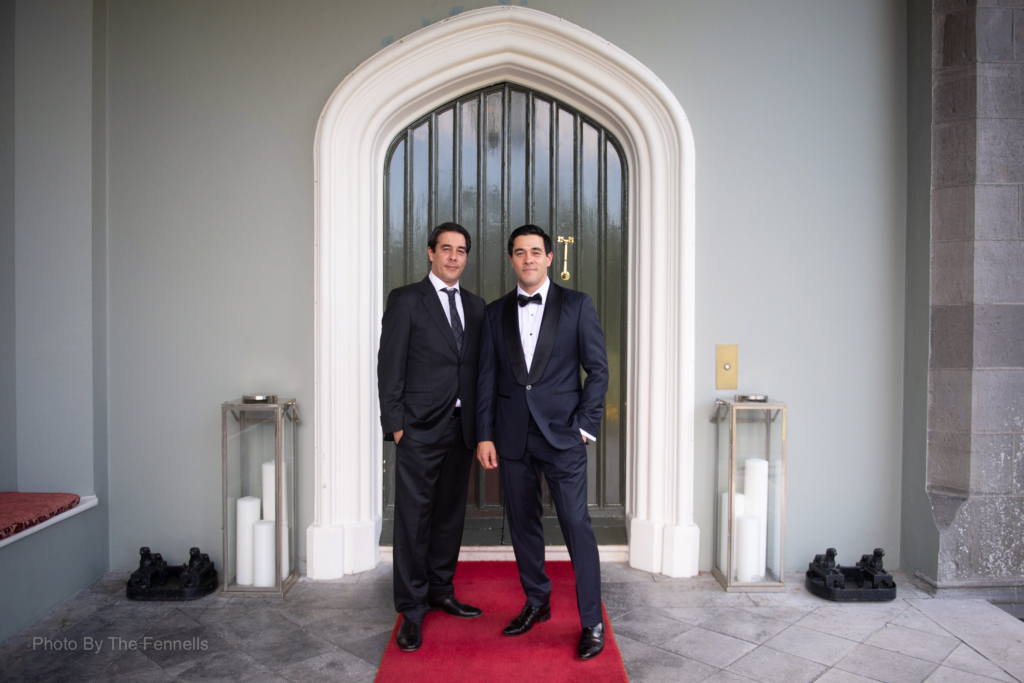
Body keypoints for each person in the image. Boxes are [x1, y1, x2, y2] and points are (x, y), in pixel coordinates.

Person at [476, 224, 609, 660]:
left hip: (564, 437)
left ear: (550, 258)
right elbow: (487, 379)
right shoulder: (495, 313)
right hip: (512, 438)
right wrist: (485, 435)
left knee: (575, 525)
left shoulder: (576, 305)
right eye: (520, 252)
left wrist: (586, 427)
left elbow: (598, 370)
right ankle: (537, 601)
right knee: (523, 526)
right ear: (512, 260)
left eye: (536, 251)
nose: (528, 259)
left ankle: (591, 621)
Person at [377, 222, 486, 652]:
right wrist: (398, 425)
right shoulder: (406, 301)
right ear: (430, 253)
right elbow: (389, 368)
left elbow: (476, 370)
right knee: (413, 521)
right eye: (446, 249)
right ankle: (412, 609)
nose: (454, 257)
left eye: (461, 250)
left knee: (447, 517)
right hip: (419, 430)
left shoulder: (475, 308)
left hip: (461, 431)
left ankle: (441, 591)